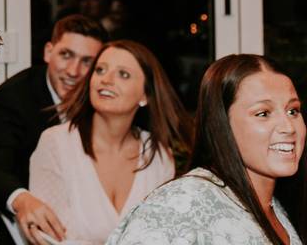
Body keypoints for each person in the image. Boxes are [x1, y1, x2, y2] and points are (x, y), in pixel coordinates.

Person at [107, 54, 306, 245]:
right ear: (221, 124)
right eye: (263, 113)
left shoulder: (279, 208)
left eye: (293, 111)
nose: (288, 127)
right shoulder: (182, 204)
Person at [28, 40, 191, 244]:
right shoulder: (56, 144)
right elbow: (50, 238)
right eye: (100, 70)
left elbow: (162, 236)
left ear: (145, 95)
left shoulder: (157, 155)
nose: (106, 79)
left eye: (123, 74)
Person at [0, 14, 108, 245]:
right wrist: (23, 200)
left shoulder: (100, 100)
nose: (74, 71)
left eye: (87, 62)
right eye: (66, 55)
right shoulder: (13, 99)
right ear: (48, 52)